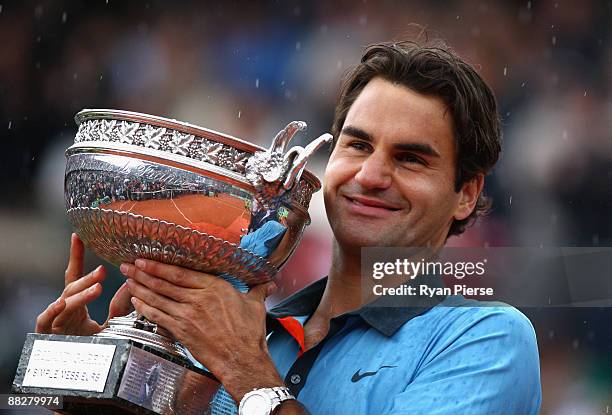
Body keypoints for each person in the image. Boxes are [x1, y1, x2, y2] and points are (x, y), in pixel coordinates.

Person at [36, 39, 541, 414]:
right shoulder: (240, 328)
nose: (370, 176)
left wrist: (246, 372)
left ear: (466, 194)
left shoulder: (486, 339)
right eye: (358, 145)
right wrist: (85, 377)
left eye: (410, 159)